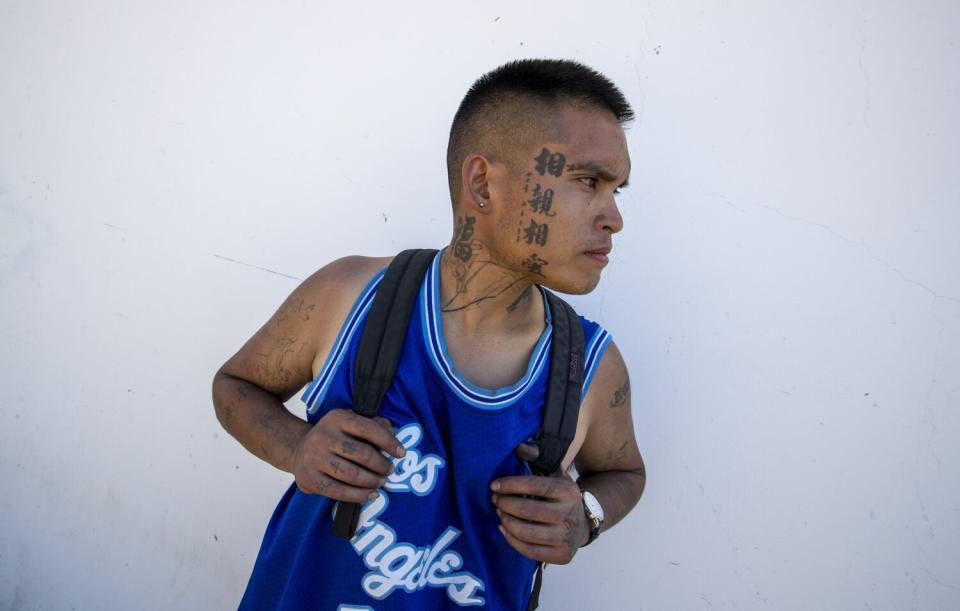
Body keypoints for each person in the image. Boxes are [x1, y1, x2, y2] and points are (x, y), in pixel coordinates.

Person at [212, 58, 646, 610]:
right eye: (588, 181)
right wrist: (297, 446)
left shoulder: (589, 367)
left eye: (617, 189)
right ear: (483, 183)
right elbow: (234, 386)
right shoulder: (348, 297)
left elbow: (624, 472)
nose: (613, 217)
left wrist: (586, 516)